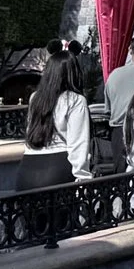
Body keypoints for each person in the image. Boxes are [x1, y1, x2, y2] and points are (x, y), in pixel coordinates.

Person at [16, 45, 96, 191]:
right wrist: (83, 177)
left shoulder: (35, 98)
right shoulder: (75, 100)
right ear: (73, 73)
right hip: (58, 166)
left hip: (27, 167)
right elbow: (78, 142)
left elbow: (30, 132)